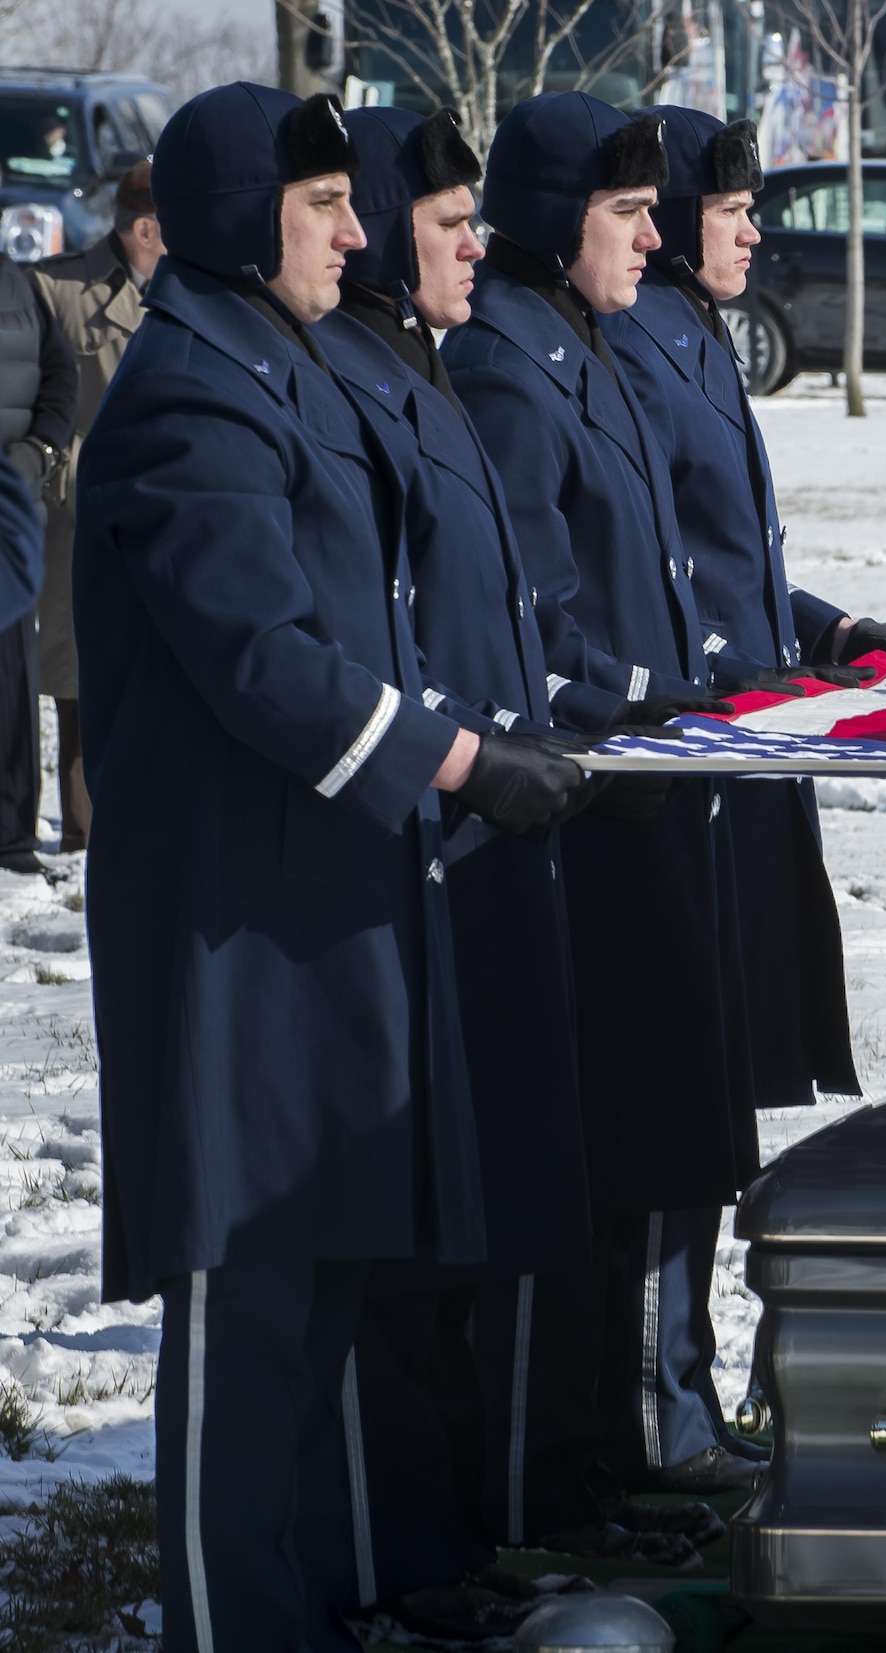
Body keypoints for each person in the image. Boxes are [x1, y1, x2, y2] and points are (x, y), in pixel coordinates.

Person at [75, 81, 590, 1652]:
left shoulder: (272, 359)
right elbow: (264, 657)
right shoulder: (187, 391)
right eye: (324, 206)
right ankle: (236, 1627)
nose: (358, 229)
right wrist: (458, 761)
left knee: (329, 1291)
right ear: (244, 214)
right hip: (236, 932)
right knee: (251, 1309)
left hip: (329, 910)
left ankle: (335, 1596)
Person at [311, 104, 702, 1639]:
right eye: (444, 220)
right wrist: (553, 727)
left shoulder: (445, 362)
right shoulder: (466, 367)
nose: (467, 244)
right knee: (437, 1252)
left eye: (480, 221)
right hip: (446, 836)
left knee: (515, 1209)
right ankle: (445, 1530)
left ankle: (474, 1517)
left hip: (506, 822)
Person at [442, 90, 837, 1548]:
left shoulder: (589, 348)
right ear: (560, 223)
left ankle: (631, 1438)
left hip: (660, 798)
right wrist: (644, 698)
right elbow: (529, 610)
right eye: (628, 213)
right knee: (608, 1165)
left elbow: (675, 559)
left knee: (667, 1136)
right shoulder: (510, 365)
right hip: (595, 816)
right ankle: (585, 1464)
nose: (657, 234)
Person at [604, 102, 886, 1481]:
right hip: (682, 769)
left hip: (742, 759)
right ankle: (656, 1412)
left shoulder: (688, 334)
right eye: (732, 204)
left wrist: (827, 630)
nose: (758, 226)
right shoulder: (633, 339)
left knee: (713, 1100)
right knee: (677, 1110)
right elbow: (653, 579)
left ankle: (682, 1397)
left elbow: (726, 557)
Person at [32, 161, 161, 853]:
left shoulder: (188, 286)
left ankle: (137, 818)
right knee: (78, 674)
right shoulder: (57, 289)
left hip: (161, 504)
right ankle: (86, 837)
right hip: (78, 509)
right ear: (145, 228)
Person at [0, 207, 75, 876]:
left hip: (10, 505)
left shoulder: (21, 288)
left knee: (13, 671)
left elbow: (60, 380)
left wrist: (41, 449)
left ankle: (11, 835)